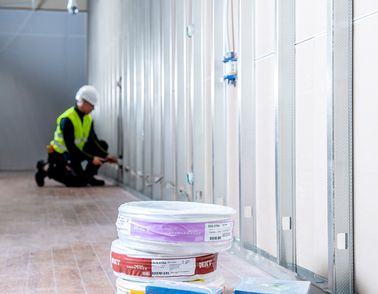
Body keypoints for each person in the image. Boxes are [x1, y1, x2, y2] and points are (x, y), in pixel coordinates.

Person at [35, 85, 116, 187]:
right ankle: (45, 168)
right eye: (92, 105)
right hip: (61, 155)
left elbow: (93, 140)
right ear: (83, 102)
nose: (93, 108)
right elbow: (71, 147)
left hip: (75, 154)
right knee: (77, 182)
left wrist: (105, 154)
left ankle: (88, 177)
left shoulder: (88, 118)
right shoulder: (68, 119)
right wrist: (91, 159)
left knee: (102, 145)